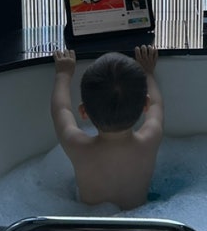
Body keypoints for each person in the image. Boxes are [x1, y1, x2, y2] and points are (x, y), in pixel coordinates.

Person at [51, 45, 163, 210]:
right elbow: (156, 104)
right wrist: (148, 72)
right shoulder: (150, 138)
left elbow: (61, 110)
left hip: (90, 221)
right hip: (139, 219)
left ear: (83, 112)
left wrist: (63, 74)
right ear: (145, 104)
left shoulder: (78, 146)